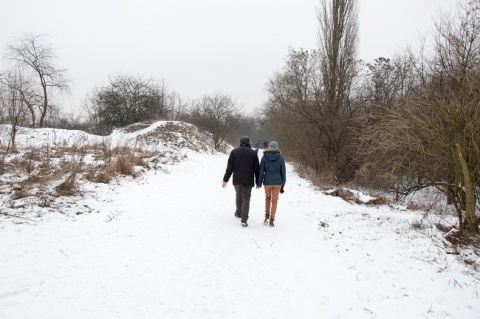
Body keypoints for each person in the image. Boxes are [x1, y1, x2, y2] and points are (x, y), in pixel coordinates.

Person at [222, 136, 260, 227]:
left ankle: (239, 213)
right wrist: (258, 182)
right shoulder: (253, 153)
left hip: (237, 180)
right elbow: (257, 169)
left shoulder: (234, 152)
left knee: (239, 197)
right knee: (246, 198)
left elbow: (229, 168)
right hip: (248, 180)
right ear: (248, 142)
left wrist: (225, 180)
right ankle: (244, 219)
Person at [256, 141, 286, 227]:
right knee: (275, 201)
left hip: (267, 182)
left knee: (267, 198)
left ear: (269, 147)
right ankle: (272, 220)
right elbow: (283, 172)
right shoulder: (280, 158)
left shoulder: (265, 157)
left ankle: (266, 217)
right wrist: (283, 184)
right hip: (277, 182)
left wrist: (259, 182)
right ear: (277, 147)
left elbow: (261, 171)